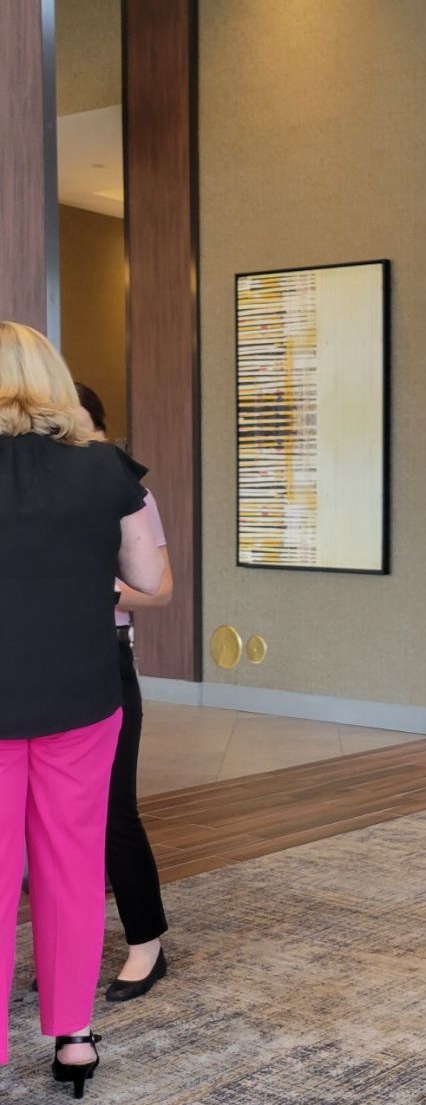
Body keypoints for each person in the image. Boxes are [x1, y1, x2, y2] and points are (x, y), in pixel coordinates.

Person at [0, 323, 164, 1096]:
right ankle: (70, 1037)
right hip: (82, 694)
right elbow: (144, 579)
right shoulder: (106, 469)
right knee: (69, 865)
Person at [75, 384, 172, 1002]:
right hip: (40, 661)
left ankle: (146, 944)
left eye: (83, 425)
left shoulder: (126, 493)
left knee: (113, 809)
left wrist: (96, 590)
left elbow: (160, 591)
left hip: (105, 658)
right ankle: (71, 940)